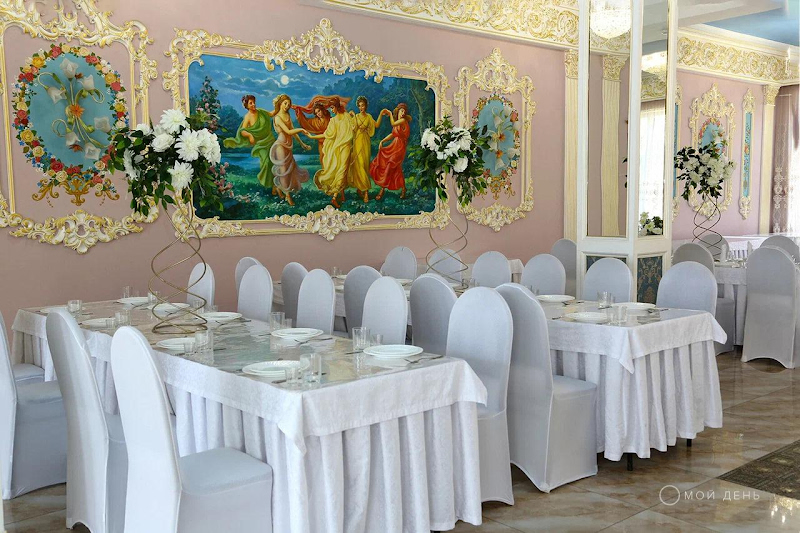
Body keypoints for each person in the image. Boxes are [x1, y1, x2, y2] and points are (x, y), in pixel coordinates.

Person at [223, 95, 277, 194]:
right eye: (250, 103)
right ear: (246, 105)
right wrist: (250, 135)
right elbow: (242, 131)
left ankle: (276, 185)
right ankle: (268, 184)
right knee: (266, 162)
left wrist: (279, 105)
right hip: (260, 144)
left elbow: (271, 114)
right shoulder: (247, 117)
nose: (253, 104)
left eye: (254, 102)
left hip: (269, 140)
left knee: (276, 160)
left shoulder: (260, 111)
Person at [308, 96, 355, 209]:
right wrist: (312, 137)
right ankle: (335, 197)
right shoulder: (333, 121)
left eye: (332, 107)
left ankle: (340, 195)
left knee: (343, 170)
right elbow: (327, 135)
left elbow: (353, 128)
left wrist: (354, 117)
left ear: (337, 107)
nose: (331, 110)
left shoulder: (346, 116)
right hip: (337, 149)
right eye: (330, 108)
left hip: (346, 147)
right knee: (341, 170)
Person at [269, 94, 312, 206]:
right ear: (280, 104)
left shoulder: (287, 115)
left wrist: (302, 144)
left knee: (289, 171)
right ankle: (287, 195)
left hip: (288, 146)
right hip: (280, 146)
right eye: (285, 103)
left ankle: (278, 187)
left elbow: (292, 131)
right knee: (284, 171)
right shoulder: (277, 118)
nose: (287, 106)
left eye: (288, 104)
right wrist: (301, 130)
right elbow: (288, 132)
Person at [370, 103, 412, 200]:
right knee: (396, 169)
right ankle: (403, 189)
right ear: (398, 111)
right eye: (402, 111)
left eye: (404, 111)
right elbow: (393, 134)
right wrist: (383, 141)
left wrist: (389, 113)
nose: (403, 113)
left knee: (390, 165)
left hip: (400, 147)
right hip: (394, 145)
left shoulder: (403, 120)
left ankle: (382, 190)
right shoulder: (397, 122)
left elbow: (392, 124)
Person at [346, 96, 383, 203]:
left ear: (366, 106)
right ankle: (365, 191)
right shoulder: (356, 116)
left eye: (363, 105)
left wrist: (381, 114)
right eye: (359, 106)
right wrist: (352, 117)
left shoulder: (369, 117)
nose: (361, 107)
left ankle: (361, 188)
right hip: (357, 142)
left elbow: (376, 125)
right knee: (359, 165)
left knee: (365, 165)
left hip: (366, 142)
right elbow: (352, 129)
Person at [293, 100, 331, 164]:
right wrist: (298, 110)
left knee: (331, 158)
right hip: (321, 143)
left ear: (322, 110)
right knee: (322, 158)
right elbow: (305, 121)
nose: (318, 113)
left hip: (331, 142)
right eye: (316, 113)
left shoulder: (330, 120)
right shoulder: (315, 121)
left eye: (319, 111)